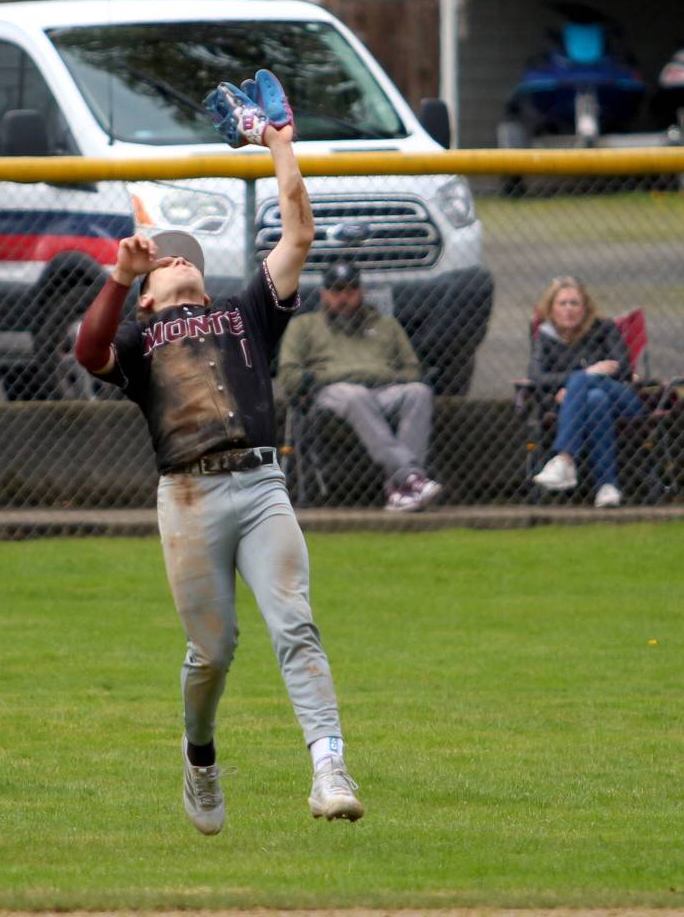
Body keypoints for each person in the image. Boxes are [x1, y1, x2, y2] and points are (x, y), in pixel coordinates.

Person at [73, 70, 364, 835]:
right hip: (190, 499)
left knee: (296, 625)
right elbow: (87, 350)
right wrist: (118, 275)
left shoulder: (243, 314)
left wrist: (280, 145)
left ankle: (329, 768)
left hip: (261, 485)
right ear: (145, 292)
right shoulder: (136, 339)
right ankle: (199, 758)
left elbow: (297, 232)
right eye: (167, 260)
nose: (179, 260)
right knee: (214, 653)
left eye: (185, 255)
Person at [277, 261, 442, 512]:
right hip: (329, 394)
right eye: (336, 291)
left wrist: (381, 377)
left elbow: (412, 371)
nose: (344, 297)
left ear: (361, 292)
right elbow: (289, 376)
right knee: (355, 394)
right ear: (324, 294)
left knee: (418, 392)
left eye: (351, 290)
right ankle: (411, 477)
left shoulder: (386, 326)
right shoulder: (303, 326)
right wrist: (356, 374)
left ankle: (400, 492)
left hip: (383, 392)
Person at [529, 275, 643, 508]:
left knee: (585, 383)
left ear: (585, 307)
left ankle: (565, 459)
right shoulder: (545, 335)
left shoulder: (604, 328)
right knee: (594, 399)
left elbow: (622, 369)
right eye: (562, 304)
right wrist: (585, 379)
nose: (569, 309)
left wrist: (575, 386)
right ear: (551, 308)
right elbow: (537, 377)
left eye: (574, 303)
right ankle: (607, 487)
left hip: (622, 399)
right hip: (589, 403)